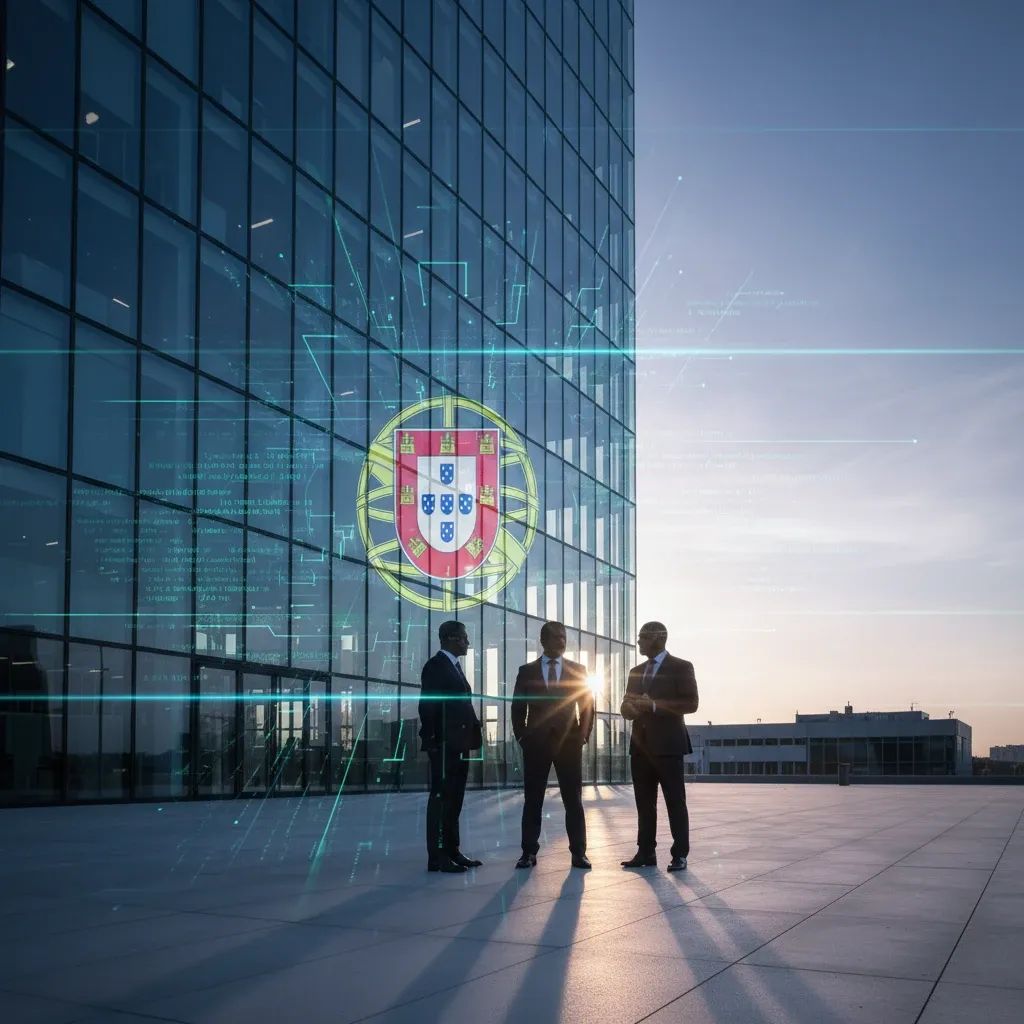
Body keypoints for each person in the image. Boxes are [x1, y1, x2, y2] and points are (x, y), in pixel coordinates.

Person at [511, 621, 595, 869]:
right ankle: (528, 853)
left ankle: (578, 853)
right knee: (533, 799)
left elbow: (588, 707)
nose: (562, 641)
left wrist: (582, 736)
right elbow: (517, 709)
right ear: (543, 640)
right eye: (557, 637)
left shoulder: (578, 670)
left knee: (574, 800)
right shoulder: (526, 671)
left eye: (564, 636)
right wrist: (522, 737)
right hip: (536, 745)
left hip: (569, 744)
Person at [620, 622, 699, 872]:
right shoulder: (635, 671)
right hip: (640, 748)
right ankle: (645, 853)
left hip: (669, 747)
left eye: (642, 637)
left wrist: (653, 706)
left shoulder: (682, 667)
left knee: (675, 802)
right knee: (644, 804)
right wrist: (630, 709)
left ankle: (680, 855)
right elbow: (625, 706)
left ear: (657, 638)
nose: (639, 642)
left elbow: (691, 703)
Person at [419, 620, 483, 873]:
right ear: (450, 638)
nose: (467, 643)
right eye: (464, 638)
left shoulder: (454, 667)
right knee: (441, 800)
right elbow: (428, 706)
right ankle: (437, 857)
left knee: (455, 799)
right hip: (444, 746)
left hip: (459, 745)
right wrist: (433, 742)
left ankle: (453, 851)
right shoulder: (436, 666)